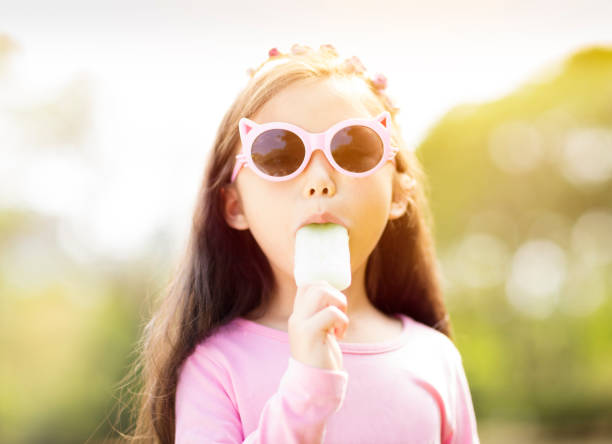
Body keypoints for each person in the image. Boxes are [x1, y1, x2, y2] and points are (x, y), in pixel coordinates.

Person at [122, 43, 480, 443]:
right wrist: (307, 391)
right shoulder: (215, 367)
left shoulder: (436, 358)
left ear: (399, 192)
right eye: (278, 153)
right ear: (234, 205)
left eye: (355, 147)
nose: (320, 180)